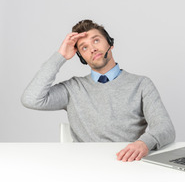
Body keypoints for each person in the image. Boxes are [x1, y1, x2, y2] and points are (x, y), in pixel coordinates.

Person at [21, 19, 175, 162]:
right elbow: (31, 99)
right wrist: (60, 56)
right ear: (82, 57)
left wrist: (144, 143)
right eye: (84, 47)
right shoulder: (72, 88)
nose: (93, 49)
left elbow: (165, 127)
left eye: (96, 40)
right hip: (85, 166)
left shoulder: (141, 84)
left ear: (110, 44)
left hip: (127, 164)